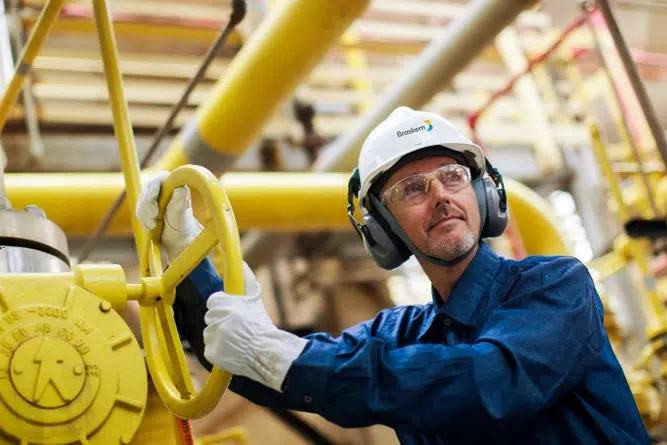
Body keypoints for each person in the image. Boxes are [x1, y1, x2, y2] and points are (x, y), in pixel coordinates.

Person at [136, 106, 650, 444]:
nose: (441, 195)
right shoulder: (398, 333)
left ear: (484, 194)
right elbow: (244, 356)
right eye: (412, 189)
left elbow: (493, 382)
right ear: (381, 226)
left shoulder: (555, 285)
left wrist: (281, 356)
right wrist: (186, 258)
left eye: (453, 176)